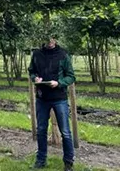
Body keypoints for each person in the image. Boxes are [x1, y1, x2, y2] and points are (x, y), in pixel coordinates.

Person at [28, 36, 76, 170]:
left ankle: (68, 163)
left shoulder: (63, 54)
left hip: (59, 98)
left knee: (65, 132)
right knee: (41, 130)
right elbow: (32, 70)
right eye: (47, 38)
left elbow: (71, 76)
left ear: (56, 39)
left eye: (52, 38)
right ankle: (41, 160)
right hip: (42, 98)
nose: (50, 41)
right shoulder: (37, 54)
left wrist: (59, 83)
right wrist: (35, 78)